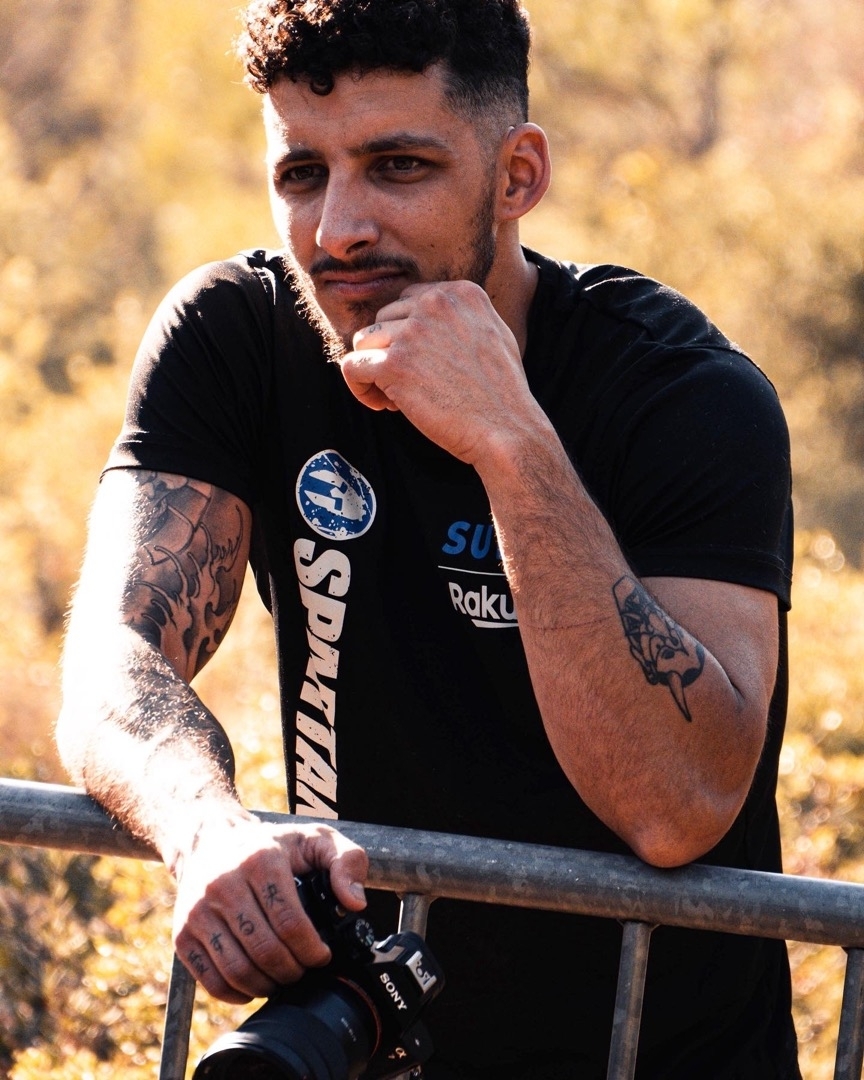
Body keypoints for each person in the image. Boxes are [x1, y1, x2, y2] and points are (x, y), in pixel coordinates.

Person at [56, 1, 800, 1076]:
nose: (337, 229)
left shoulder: (683, 393)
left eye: (397, 166)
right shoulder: (236, 337)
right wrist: (206, 828)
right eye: (301, 173)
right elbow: (112, 658)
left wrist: (510, 440)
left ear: (517, 176)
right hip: (367, 1044)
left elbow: (678, 805)